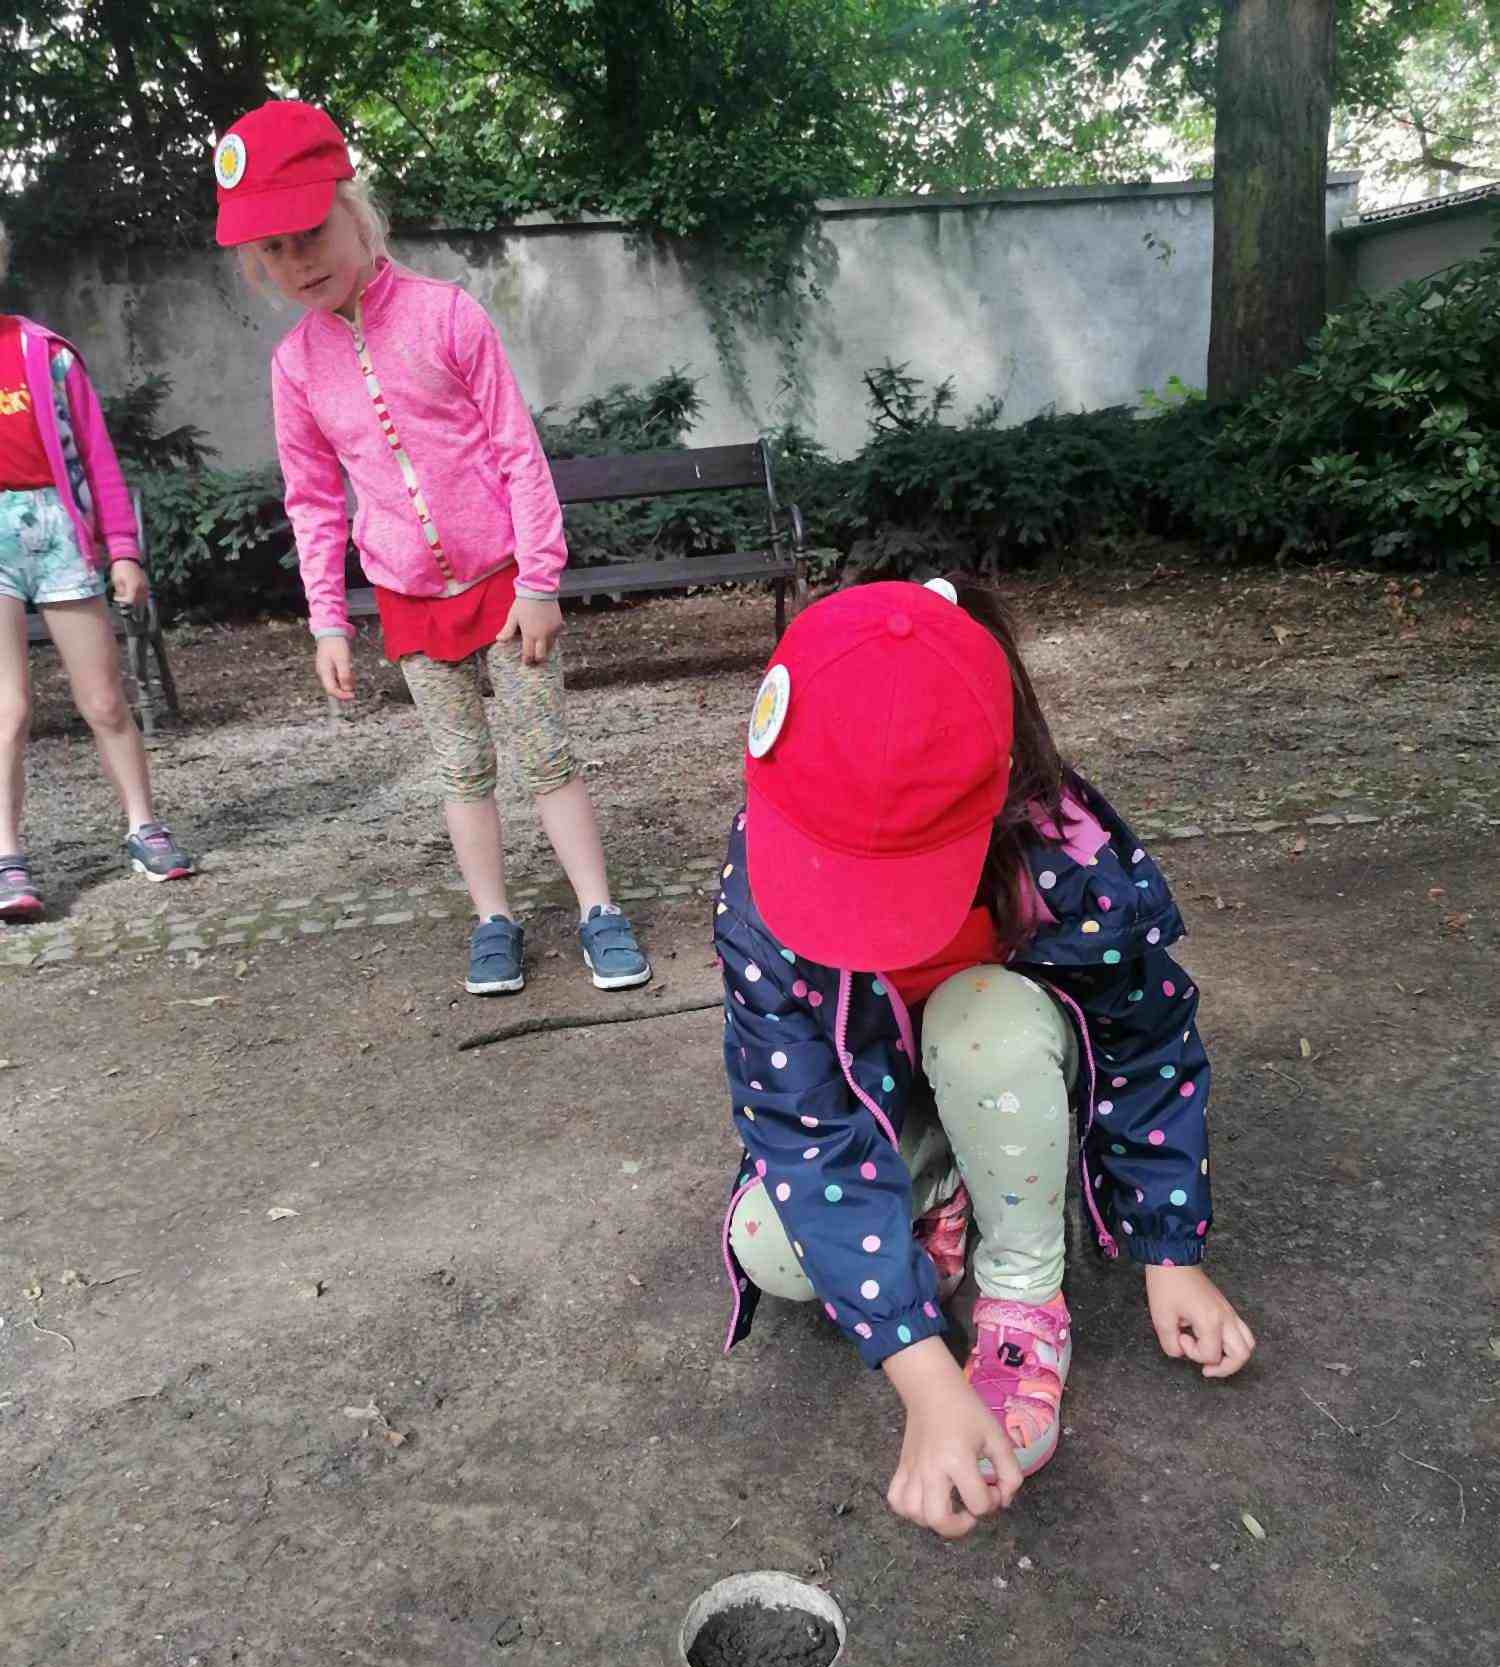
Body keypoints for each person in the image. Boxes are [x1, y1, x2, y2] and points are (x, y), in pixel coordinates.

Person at [717, 577, 1256, 1541]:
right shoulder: (763, 871)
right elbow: (802, 1129)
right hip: (896, 1106)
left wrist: (1168, 1250)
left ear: (1000, 799)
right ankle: (948, 1187)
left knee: (981, 1021)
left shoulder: (1066, 852)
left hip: (1003, 1071)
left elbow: (1146, 1044)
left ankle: (1023, 1290)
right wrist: (924, 1375)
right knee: (771, 1246)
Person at [212, 100, 649, 996]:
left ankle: (599, 908)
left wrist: (540, 579)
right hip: (409, 602)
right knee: (462, 768)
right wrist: (327, 622)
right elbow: (312, 502)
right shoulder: (295, 368)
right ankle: (493, 919)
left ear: (357, 212)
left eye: (310, 233)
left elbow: (517, 451)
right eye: (273, 251)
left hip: (505, 586)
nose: (298, 262)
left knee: (547, 754)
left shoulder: (447, 316)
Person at [0, 222, 195, 921]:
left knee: (105, 701)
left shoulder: (46, 355)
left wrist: (123, 550)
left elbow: (98, 457)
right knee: (7, 708)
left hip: (60, 533)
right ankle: (6, 857)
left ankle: (144, 826)